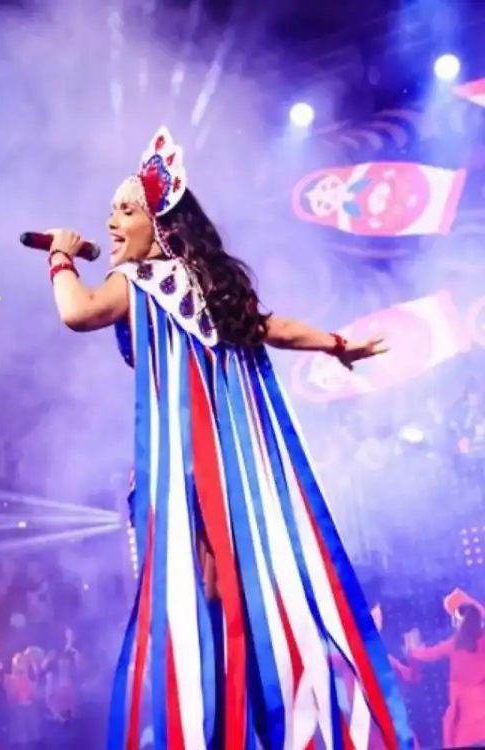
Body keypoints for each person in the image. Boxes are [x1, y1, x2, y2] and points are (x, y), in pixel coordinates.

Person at [43, 127, 412, 749]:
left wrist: (57, 255)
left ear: (160, 225)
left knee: (196, 597)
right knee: (224, 588)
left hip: (186, 469)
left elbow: (76, 312)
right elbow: (275, 328)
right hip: (233, 470)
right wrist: (337, 344)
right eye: (111, 211)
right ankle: (245, 720)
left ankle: (217, 726)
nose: (110, 222)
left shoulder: (138, 283)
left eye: (126, 210)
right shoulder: (211, 287)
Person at [407, 592, 485, 748]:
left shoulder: (454, 644)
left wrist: (412, 649)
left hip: (464, 712)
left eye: (455, 620)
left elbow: (428, 654)